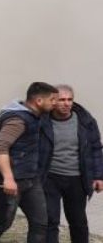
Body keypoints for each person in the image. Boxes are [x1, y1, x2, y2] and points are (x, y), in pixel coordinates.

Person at [0, 82, 58, 243]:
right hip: (6, 183)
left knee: (40, 224)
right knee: (2, 224)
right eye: (52, 100)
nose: (55, 103)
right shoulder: (17, 120)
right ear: (38, 101)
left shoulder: (36, 115)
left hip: (30, 180)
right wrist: (8, 178)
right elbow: (1, 147)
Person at [44, 84, 103, 243]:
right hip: (50, 178)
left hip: (76, 178)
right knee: (50, 220)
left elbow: (96, 148)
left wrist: (99, 176)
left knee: (78, 222)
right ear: (53, 101)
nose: (66, 103)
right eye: (61, 100)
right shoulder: (42, 121)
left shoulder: (85, 120)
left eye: (70, 99)